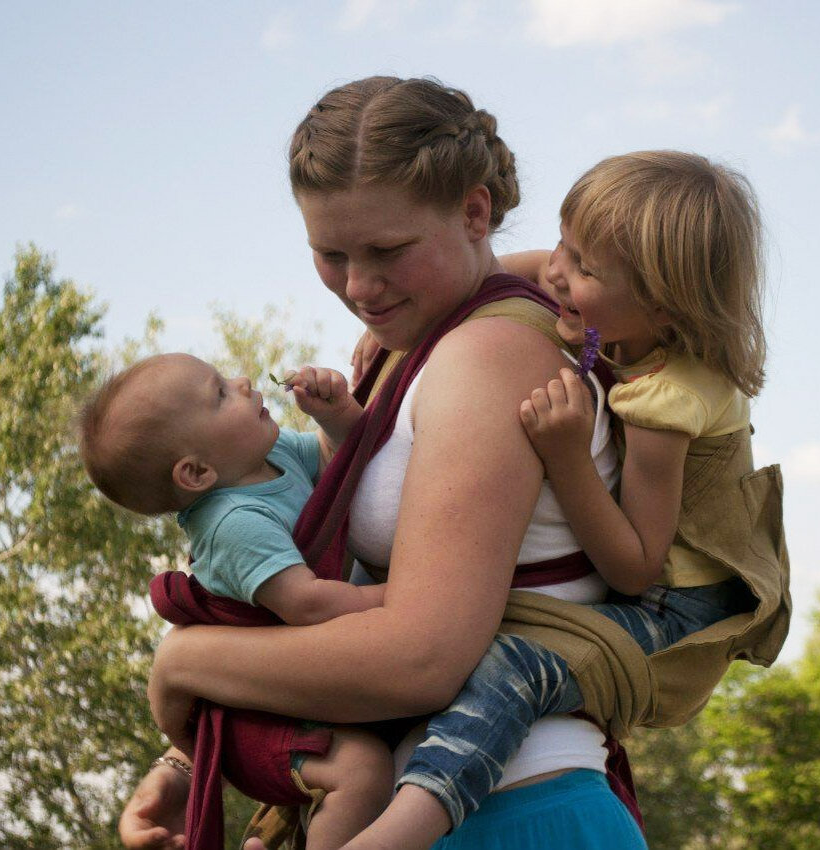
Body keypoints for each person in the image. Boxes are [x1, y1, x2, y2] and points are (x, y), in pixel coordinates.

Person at [118, 75, 649, 850]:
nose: (359, 286)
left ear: (474, 209)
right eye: (329, 254)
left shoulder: (488, 355)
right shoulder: (413, 352)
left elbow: (422, 658)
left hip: (516, 810)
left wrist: (186, 659)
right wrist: (183, 760)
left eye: (387, 251)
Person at [343, 151, 768, 846]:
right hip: (647, 577)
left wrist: (567, 456)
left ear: (662, 302)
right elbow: (514, 269)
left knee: (514, 667)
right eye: (566, 242)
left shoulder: (666, 401)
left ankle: (399, 831)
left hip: (680, 606)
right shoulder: (614, 307)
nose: (556, 272)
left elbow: (634, 565)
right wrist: (397, 323)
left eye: (584, 268)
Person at [78, 353, 395, 849]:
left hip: (289, 687)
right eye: (220, 393)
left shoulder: (274, 456)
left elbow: (340, 462)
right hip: (252, 721)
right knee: (362, 771)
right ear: (198, 472)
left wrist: (333, 415)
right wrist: (398, 595)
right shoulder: (234, 524)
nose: (243, 381)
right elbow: (306, 604)